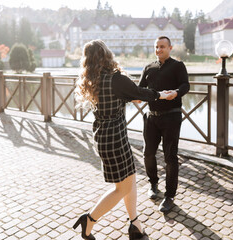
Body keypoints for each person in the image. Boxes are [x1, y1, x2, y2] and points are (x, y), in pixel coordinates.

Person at [73, 39, 174, 239]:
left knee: (130, 180)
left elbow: (131, 95)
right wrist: (162, 95)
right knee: (122, 188)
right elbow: (138, 93)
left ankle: (135, 224)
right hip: (116, 140)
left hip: (103, 136)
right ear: (106, 54)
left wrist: (137, 95)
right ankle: (89, 221)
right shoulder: (115, 78)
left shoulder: (94, 79)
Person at [138, 36, 190, 213]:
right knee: (148, 154)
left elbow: (186, 85)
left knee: (170, 157)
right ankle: (153, 183)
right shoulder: (148, 67)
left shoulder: (178, 66)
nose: (159, 49)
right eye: (156, 47)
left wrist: (176, 93)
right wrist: (133, 95)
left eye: (162, 46)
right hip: (151, 117)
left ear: (170, 48)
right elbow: (140, 90)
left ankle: (169, 196)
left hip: (171, 117)